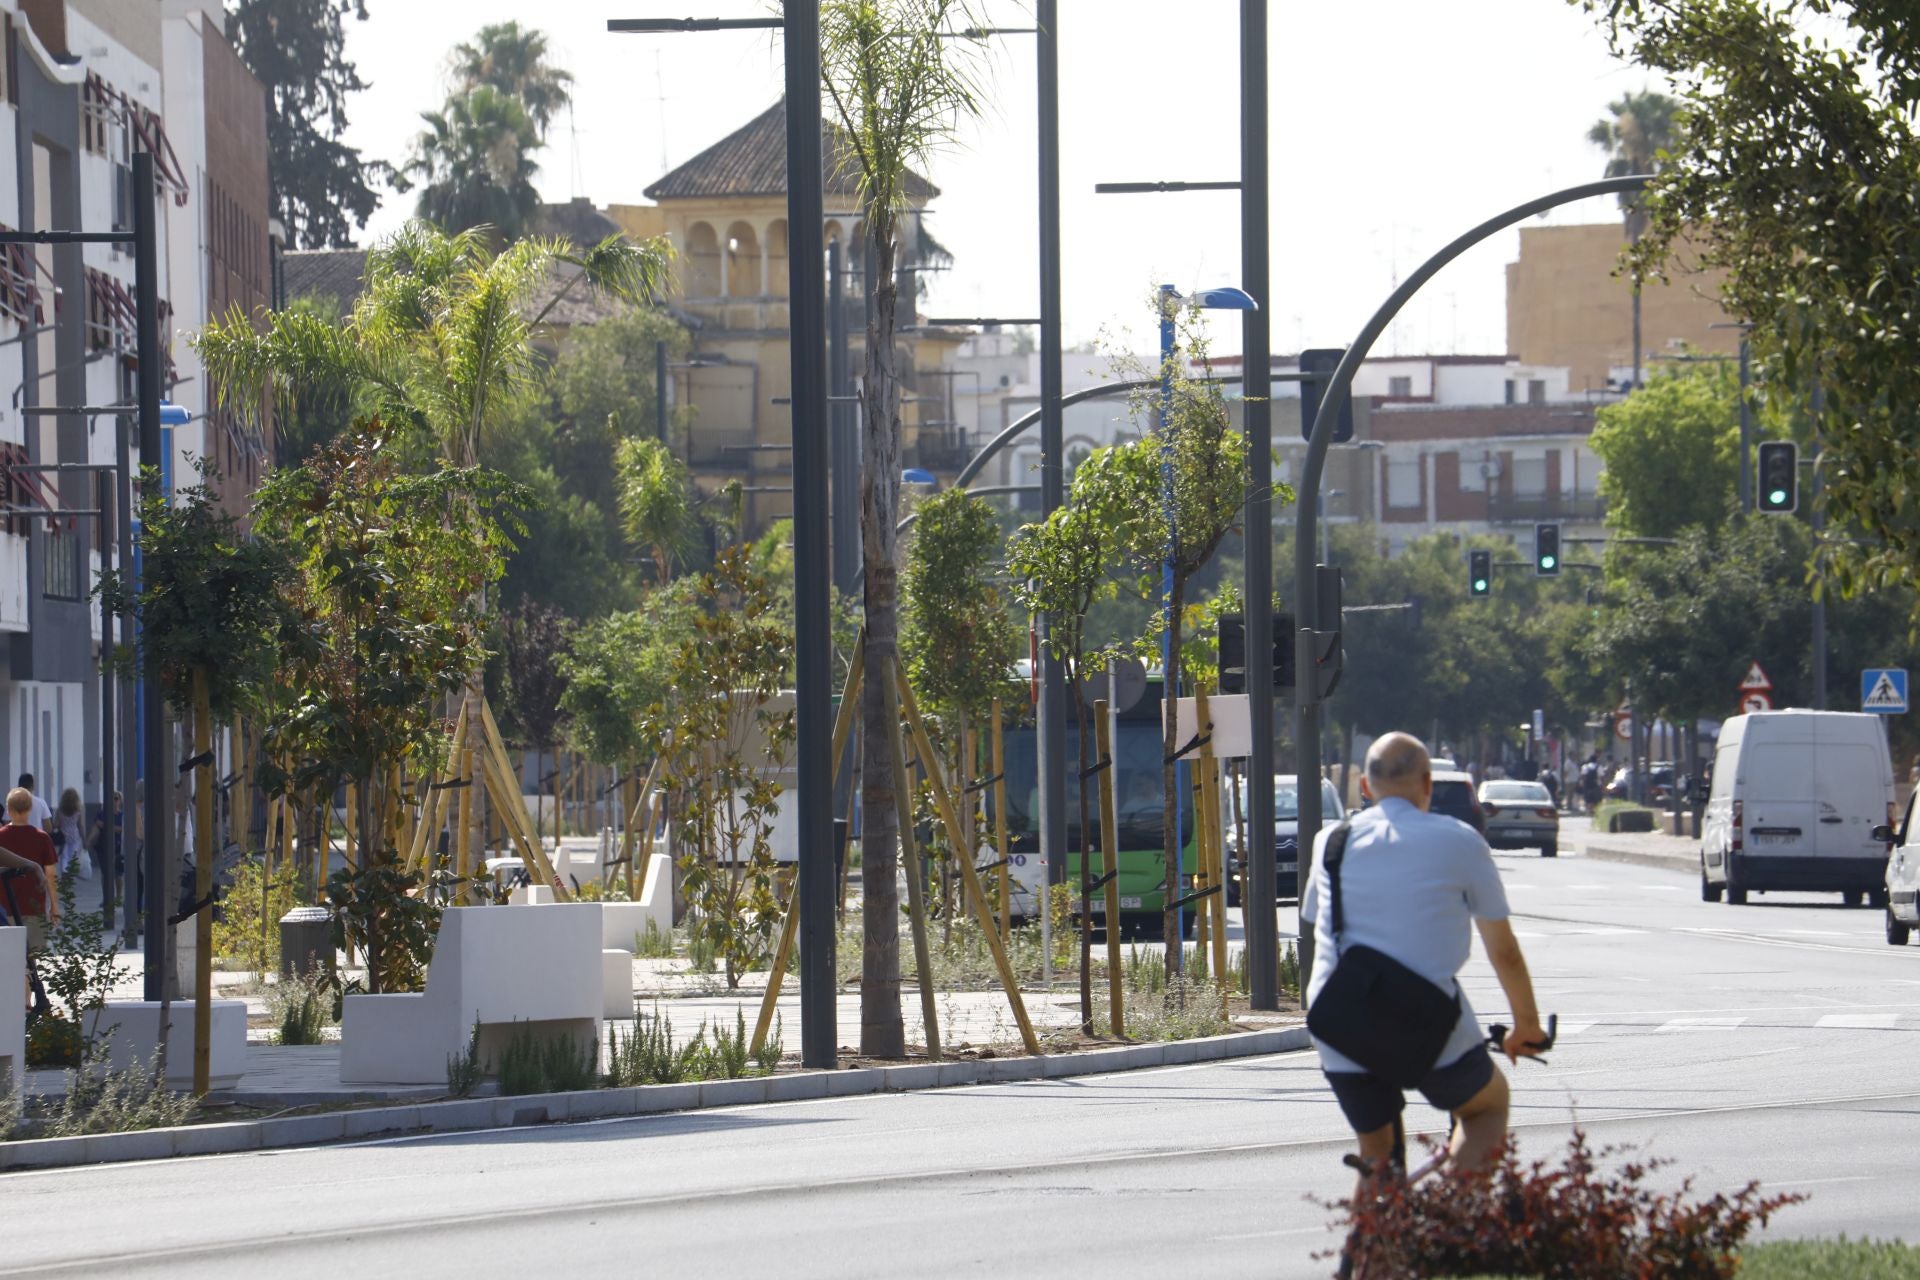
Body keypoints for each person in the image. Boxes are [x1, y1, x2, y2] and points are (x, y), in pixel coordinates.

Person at [1304, 732, 1546, 1185]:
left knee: (1376, 1156)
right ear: (1428, 783)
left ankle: (1373, 1247)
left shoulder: (1330, 842)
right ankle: (1449, 1224)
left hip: (1338, 1019)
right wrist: (1526, 1027)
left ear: (1366, 789)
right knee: (1486, 1109)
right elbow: (1505, 952)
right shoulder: (1460, 841)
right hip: (1424, 1018)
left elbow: (1316, 920)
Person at [0, 786, 60, 952]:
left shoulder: (1, 837)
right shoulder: (42, 838)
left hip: (5, 908)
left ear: (8, 809)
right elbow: (50, 874)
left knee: (10, 958)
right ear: (30, 809)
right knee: (33, 961)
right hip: (34, 907)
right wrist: (54, 907)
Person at [51, 788, 85, 876]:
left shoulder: (60, 810)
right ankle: (70, 874)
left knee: (64, 856)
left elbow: (56, 824)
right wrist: (84, 838)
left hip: (63, 835)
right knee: (73, 855)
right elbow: (80, 825)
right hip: (74, 836)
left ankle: (64, 872)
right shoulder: (78, 810)